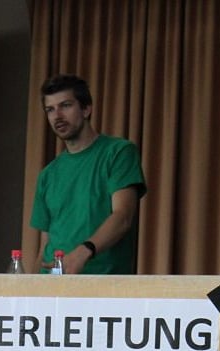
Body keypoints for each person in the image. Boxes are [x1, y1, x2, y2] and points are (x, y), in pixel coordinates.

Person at [31, 74, 147, 275]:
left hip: (102, 283)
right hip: (52, 284)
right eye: (50, 109)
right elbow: (44, 247)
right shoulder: (47, 175)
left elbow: (123, 217)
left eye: (65, 105)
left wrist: (83, 253)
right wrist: (29, 288)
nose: (57, 115)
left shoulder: (118, 152)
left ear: (86, 109)